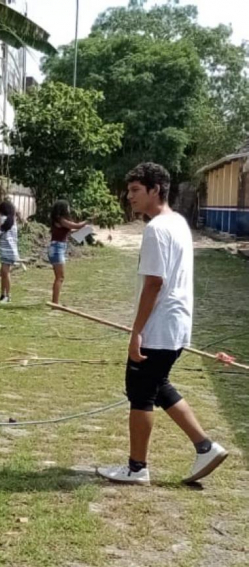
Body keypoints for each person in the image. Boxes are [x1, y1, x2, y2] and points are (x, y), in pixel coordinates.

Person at [96, 163, 228, 485]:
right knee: (159, 386)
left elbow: (154, 283)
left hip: (159, 327)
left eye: (136, 190)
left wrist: (137, 331)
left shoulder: (157, 229)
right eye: (129, 191)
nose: (130, 197)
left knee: (141, 392)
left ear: (156, 189)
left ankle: (137, 468)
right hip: (176, 326)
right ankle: (205, 447)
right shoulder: (178, 223)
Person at [48, 200, 88, 304]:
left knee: (59, 277)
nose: (69, 209)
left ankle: (55, 302)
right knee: (60, 277)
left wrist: (84, 229)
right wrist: (87, 221)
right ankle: (55, 303)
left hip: (57, 248)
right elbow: (76, 226)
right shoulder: (61, 220)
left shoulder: (60, 220)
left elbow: (72, 230)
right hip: (57, 249)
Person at [0, 200, 19, 303]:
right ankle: (3, 294)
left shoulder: (2, 219)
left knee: (5, 273)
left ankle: (8, 296)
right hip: (11, 250)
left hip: (6, 250)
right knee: (3, 272)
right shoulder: (13, 220)